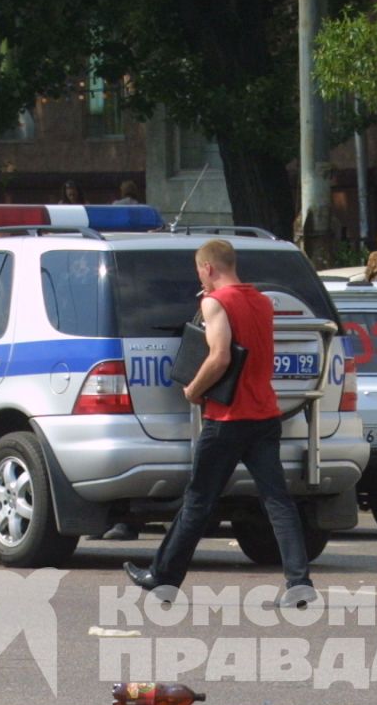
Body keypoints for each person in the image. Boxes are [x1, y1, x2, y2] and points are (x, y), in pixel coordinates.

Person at [124, 239, 316, 607]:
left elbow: (221, 356)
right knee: (277, 500)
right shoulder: (262, 301)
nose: (200, 278)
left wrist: (194, 390)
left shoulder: (214, 303)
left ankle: (162, 577)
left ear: (209, 268)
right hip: (264, 414)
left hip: (227, 418)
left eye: (200, 271)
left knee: (198, 500)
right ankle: (298, 582)